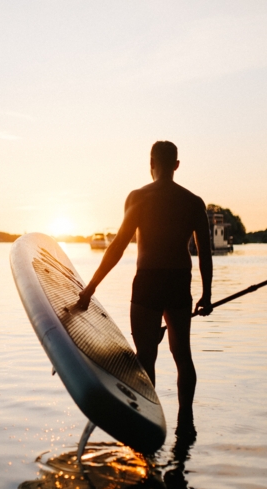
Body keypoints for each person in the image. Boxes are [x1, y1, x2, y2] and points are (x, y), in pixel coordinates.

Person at [76, 141, 213, 416]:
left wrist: (91, 287)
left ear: (151, 164)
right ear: (176, 165)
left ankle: (145, 417)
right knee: (182, 356)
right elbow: (205, 253)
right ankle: (186, 419)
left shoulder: (138, 197)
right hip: (178, 283)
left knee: (145, 356)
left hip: (147, 282)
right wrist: (206, 294)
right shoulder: (194, 202)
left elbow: (117, 247)